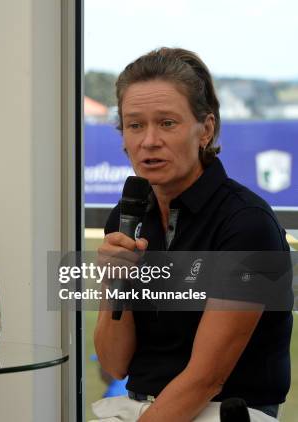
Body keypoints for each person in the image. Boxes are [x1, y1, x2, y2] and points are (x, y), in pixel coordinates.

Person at [93, 48, 292, 421]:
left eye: (167, 123)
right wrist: (112, 280)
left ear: (207, 129)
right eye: (135, 125)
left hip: (223, 412)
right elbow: (114, 363)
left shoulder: (247, 224)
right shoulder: (126, 217)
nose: (149, 141)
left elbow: (207, 379)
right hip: (139, 408)